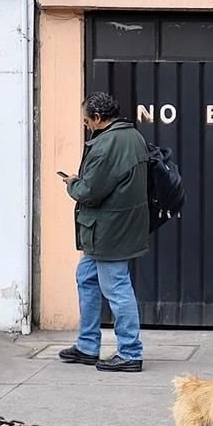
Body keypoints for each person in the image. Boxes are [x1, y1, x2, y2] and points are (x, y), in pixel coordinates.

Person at [58, 92, 151, 373]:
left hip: (108, 230)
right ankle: (87, 346)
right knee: (86, 277)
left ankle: (130, 352)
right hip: (118, 226)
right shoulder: (133, 136)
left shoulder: (105, 145)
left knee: (117, 288)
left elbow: (90, 192)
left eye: (87, 120)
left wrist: (72, 184)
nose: (86, 124)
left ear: (98, 118)